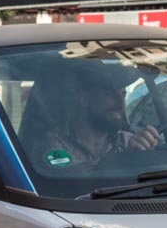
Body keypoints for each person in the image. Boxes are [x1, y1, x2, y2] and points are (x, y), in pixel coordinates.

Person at [32, 66, 160, 169]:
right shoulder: (54, 145)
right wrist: (124, 159)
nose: (121, 104)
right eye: (109, 94)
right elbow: (74, 186)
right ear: (85, 99)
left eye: (123, 94)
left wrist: (148, 153)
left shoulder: (127, 140)